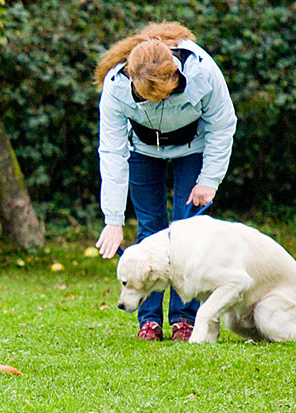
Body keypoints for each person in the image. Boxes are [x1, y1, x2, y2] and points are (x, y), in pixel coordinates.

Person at [93, 22, 237, 342]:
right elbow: (112, 154)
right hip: (142, 150)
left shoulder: (203, 73)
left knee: (188, 235)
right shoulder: (116, 87)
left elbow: (222, 124)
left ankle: (185, 320)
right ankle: (150, 321)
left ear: (174, 76)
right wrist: (113, 221)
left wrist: (209, 180)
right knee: (150, 229)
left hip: (193, 147)